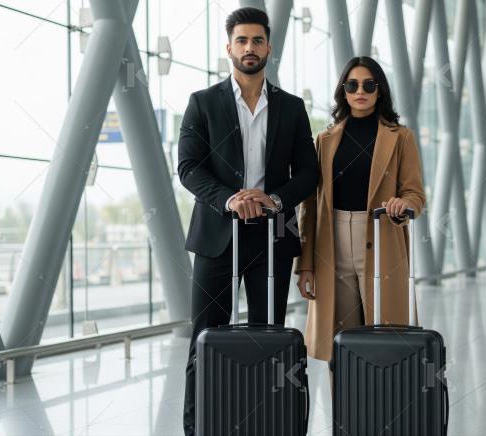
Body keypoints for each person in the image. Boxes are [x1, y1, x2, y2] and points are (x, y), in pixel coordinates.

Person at [176, 7, 318, 435]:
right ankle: (197, 428)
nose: (249, 48)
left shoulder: (291, 108)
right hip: (218, 237)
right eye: (242, 41)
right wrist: (230, 199)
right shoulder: (202, 103)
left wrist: (274, 199)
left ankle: (264, 425)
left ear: (269, 47)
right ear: (229, 48)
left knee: (268, 340)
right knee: (204, 340)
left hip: (272, 240)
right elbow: (188, 167)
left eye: (257, 40)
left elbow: (309, 173)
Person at [294, 56, 426, 372]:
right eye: (352, 85)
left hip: (382, 240)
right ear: (344, 91)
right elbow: (310, 206)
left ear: (380, 91)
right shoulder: (325, 140)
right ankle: (346, 418)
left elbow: (416, 195)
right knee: (340, 343)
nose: (360, 91)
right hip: (332, 244)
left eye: (369, 84)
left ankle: (385, 416)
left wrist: (401, 205)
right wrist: (306, 265)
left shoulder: (400, 137)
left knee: (386, 338)